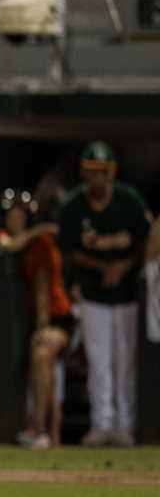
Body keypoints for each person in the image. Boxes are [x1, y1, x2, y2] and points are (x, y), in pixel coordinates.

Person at [58, 141, 152, 446]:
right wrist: (102, 267)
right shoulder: (73, 206)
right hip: (92, 293)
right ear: (84, 174)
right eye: (92, 172)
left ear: (112, 173)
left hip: (127, 294)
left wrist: (122, 267)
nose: (98, 179)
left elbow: (145, 245)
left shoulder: (129, 201)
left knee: (125, 361)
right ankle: (102, 423)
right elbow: (69, 251)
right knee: (98, 361)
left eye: (103, 172)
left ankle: (125, 425)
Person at [0, 188, 73, 449]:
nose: (15, 220)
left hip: (58, 315)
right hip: (37, 318)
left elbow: (43, 286)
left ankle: (39, 427)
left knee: (41, 352)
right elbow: (7, 243)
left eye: (20, 216)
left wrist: (42, 322)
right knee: (47, 370)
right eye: (11, 215)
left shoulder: (41, 244)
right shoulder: (20, 238)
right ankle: (50, 433)